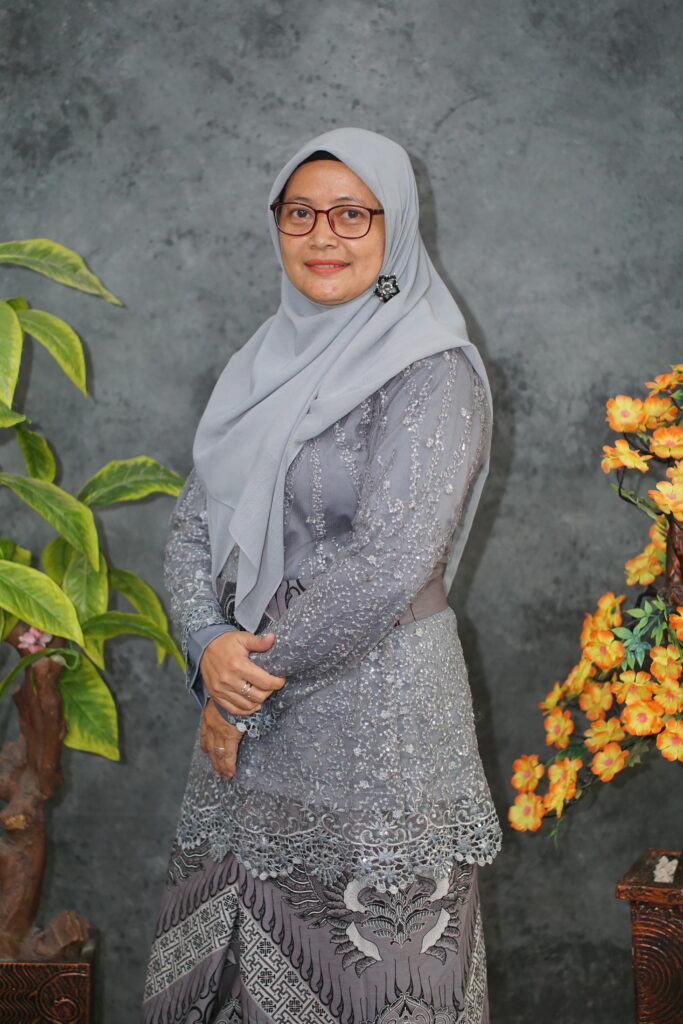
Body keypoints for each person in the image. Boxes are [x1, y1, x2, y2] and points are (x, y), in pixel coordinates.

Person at [143, 127, 502, 1024]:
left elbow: (387, 562)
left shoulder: (433, 370)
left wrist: (237, 690)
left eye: (351, 214)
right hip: (246, 719)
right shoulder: (260, 366)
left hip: (377, 732)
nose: (322, 235)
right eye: (299, 213)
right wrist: (207, 644)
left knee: (374, 988)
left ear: (395, 227)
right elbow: (193, 525)